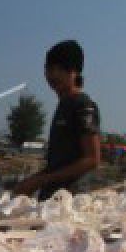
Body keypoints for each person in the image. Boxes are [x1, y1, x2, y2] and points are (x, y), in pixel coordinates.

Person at [12, 39, 101, 200]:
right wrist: (32, 181)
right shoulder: (63, 105)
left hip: (70, 201)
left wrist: (41, 180)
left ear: (74, 72)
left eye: (60, 69)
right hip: (51, 198)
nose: (53, 75)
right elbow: (58, 164)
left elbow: (92, 160)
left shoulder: (83, 106)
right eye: (48, 69)